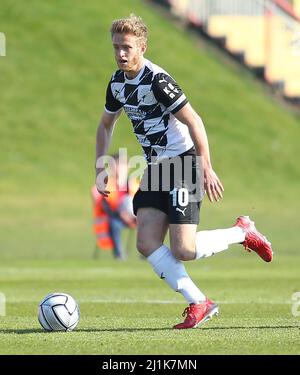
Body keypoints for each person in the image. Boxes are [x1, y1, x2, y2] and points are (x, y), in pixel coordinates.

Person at [95, 15, 273, 329]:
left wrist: (205, 164)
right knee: (146, 242)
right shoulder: (117, 83)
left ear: (142, 47)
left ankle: (242, 232)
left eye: (127, 47)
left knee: (184, 249)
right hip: (156, 168)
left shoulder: (158, 81)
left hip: (181, 164)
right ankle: (199, 302)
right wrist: (101, 168)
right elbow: (105, 124)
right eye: (116, 48)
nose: (121, 54)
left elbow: (194, 120)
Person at [92, 154, 137, 260]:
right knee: (114, 224)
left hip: (134, 217)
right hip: (116, 218)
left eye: (123, 165)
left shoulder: (133, 183)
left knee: (149, 221)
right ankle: (119, 254)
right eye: (117, 165)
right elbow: (106, 206)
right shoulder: (107, 184)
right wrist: (121, 215)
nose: (120, 168)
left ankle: (149, 253)